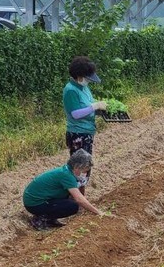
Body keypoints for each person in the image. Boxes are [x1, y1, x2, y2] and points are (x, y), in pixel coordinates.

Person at [23, 149, 107, 230]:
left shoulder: (66, 171)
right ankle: (40, 219)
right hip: (34, 203)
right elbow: (79, 199)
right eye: (84, 170)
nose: (84, 173)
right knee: (72, 206)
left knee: (68, 199)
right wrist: (98, 212)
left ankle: (50, 219)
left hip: (40, 199)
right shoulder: (67, 175)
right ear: (77, 166)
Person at [63, 56, 107, 191]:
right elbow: (75, 114)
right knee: (79, 167)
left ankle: (80, 197)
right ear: (79, 76)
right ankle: (76, 198)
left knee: (86, 165)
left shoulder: (84, 88)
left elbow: (87, 106)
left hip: (87, 132)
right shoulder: (71, 90)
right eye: (86, 78)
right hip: (78, 134)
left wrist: (99, 109)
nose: (88, 81)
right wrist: (94, 106)